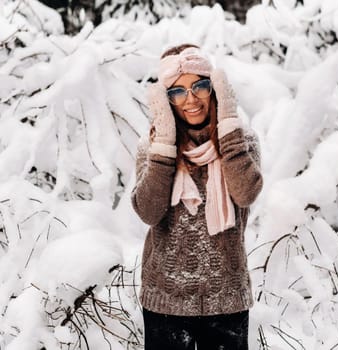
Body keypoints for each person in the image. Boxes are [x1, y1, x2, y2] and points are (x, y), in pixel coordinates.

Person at [131, 44, 263, 350]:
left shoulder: (241, 142)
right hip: (166, 302)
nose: (190, 99)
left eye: (199, 86)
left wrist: (228, 125)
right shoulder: (151, 148)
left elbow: (245, 193)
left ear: (214, 88)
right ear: (166, 101)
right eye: (177, 91)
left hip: (226, 302)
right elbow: (149, 212)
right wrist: (164, 143)